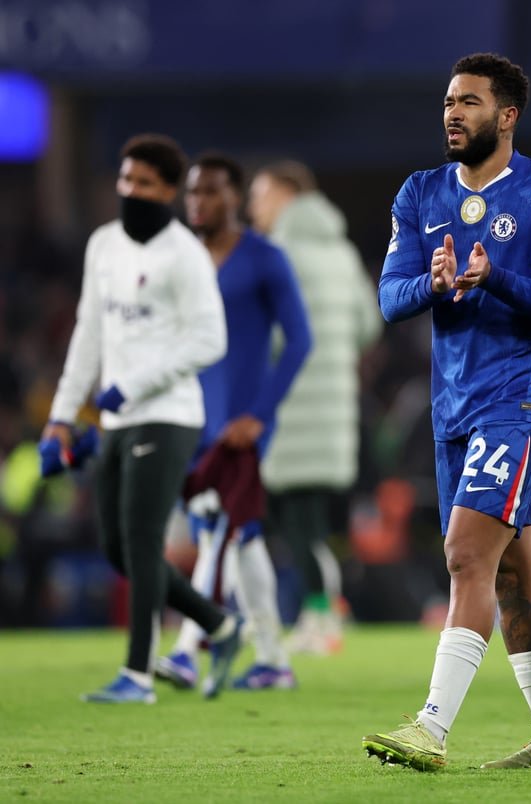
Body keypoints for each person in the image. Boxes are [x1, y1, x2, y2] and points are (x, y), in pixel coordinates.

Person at [361, 52, 531, 771]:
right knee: (514, 574)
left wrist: (500, 279)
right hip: (453, 405)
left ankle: (431, 726)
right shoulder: (420, 194)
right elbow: (390, 299)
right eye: (448, 104)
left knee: (465, 556)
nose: (453, 114)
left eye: (468, 102)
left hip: (520, 396)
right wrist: (430, 285)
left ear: (507, 115)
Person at [42, 133, 244, 703]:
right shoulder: (104, 244)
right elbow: (89, 332)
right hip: (116, 419)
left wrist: (131, 383)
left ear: (169, 191)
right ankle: (222, 626)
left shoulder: (184, 253)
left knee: (141, 537)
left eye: (144, 184)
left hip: (168, 414)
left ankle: (137, 676)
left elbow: (211, 339)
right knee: (117, 550)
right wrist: (60, 415)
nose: (131, 191)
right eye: (125, 180)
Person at [155, 152, 312, 693]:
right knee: (237, 538)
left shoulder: (264, 258)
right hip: (188, 422)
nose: (198, 201)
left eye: (211, 192)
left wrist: (260, 416)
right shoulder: (179, 259)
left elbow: (300, 341)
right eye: (192, 192)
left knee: (221, 526)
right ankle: (272, 659)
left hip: (238, 429)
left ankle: (187, 649)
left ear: (234, 198)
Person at [248, 160, 382, 656]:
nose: (253, 206)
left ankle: (321, 616)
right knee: (310, 521)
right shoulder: (342, 253)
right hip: (334, 411)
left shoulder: (275, 254)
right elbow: (368, 324)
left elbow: (267, 337)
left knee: (295, 523)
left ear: (286, 196)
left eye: (260, 195)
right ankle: (317, 616)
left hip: (291, 411)